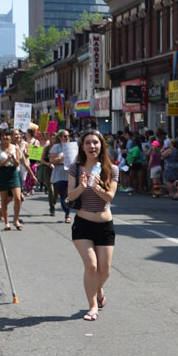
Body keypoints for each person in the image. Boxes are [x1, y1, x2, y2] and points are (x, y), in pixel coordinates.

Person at [66, 130, 118, 321]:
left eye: (95, 142)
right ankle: (93, 306)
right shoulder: (75, 168)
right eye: (87, 143)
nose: (92, 146)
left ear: (101, 145)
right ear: (82, 147)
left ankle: (98, 289)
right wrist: (81, 186)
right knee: (92, 266)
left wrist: (96, 186)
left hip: (105, 225)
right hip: (83, 225)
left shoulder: (111, 169)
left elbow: (110, 196)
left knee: (105, 271)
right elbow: (70, 196)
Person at [0, 131, 25, 230]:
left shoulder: (15, 147)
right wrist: (7, 159)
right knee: (4, 199)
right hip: (2, 173)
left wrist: (13, 159)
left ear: (10, 137)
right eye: (2, 136)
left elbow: (17, 163)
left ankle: (15, 220)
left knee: (18, 198)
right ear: (0, 138)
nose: (5, 137)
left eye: (7, 135)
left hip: (13, 173)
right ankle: (6, 223)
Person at [49, 129, 78, 222]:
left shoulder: (73, 147)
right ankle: (67, 213)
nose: (67, 138)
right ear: (60, 137)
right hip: (59, 172)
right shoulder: (56, 147)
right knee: (63, 195)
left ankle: (68, 213)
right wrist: (62, 158)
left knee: (69, 194)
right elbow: (52, 161)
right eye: (65, 136)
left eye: (68, 136)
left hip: (70, 173)